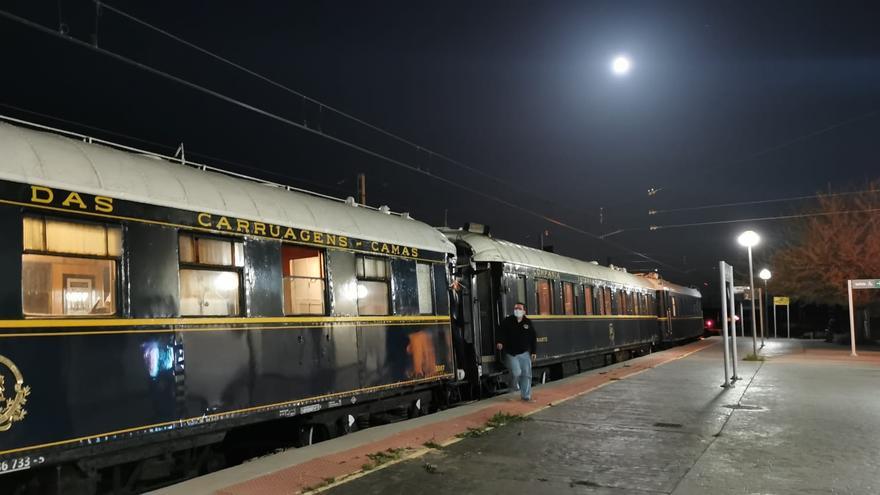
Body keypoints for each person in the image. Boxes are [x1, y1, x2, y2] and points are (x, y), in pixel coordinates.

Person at [496, 302, 537, 401]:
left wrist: (533, 352)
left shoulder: (527, 322)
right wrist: (500, 342)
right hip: (511, 353)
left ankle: (526, 396)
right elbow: (501, 333)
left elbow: (533, 337)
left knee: (526, 374)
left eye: (519, 308)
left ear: (524, 311)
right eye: (515, 308)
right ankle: (512, 392)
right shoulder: (507, 321)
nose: (517, 310)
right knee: (516, 373)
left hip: (524, 353)